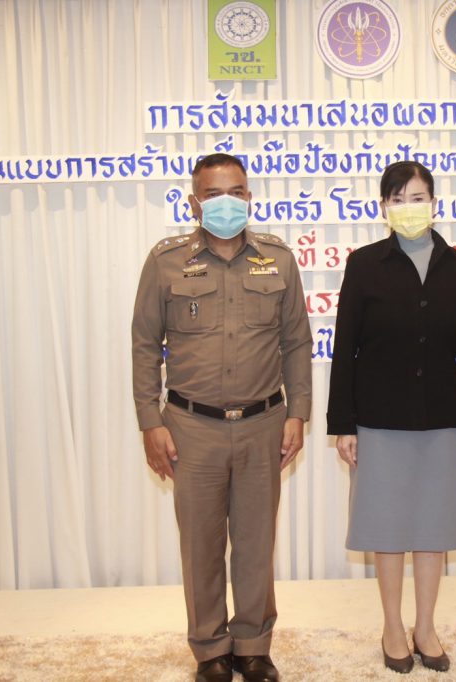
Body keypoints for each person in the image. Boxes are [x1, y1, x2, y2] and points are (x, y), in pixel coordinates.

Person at [131, 153, 312, 682]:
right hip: (191, 427)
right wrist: (150, 421)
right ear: (194, 203)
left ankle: (253, 645)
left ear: (249, 197)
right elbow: (145, 345)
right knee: (201, 545)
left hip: (263, 423)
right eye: (213, 194)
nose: (225, 202)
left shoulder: (278, 259)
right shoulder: (166, 261)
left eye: (235, 192)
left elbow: (297, 342)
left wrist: (298, 413)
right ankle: (210, 648)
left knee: (256, 543)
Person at [327, 161, 456, 674]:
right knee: (387, 527)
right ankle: (392, 627)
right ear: (383, 208)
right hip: (379, 417)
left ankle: (426, 626)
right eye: (397, 199)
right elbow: (345, 347)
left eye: (417, 198)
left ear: (434, 204)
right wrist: (343, 423)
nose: (408, 208)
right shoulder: (364, 265)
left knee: (432, 527)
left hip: (444, 417)